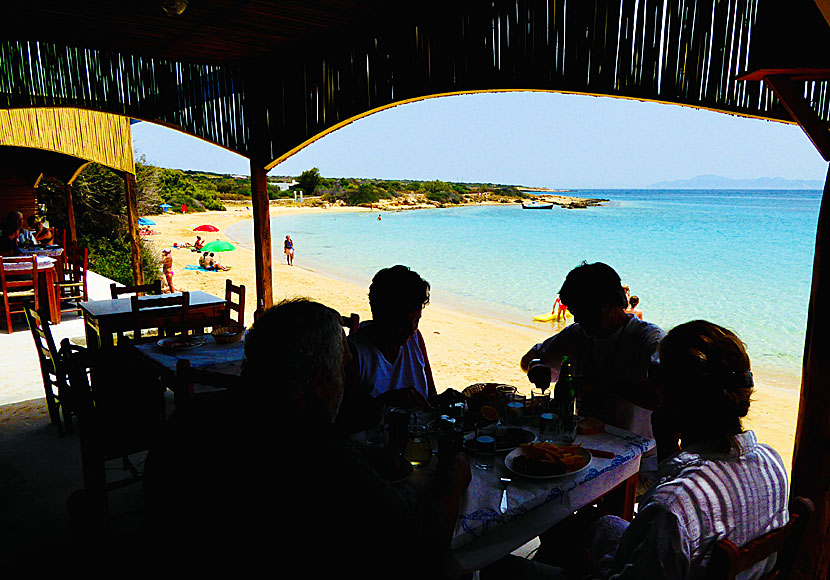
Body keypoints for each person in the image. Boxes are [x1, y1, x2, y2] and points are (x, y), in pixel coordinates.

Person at [143, 298, 471, 577]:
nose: (345, 381)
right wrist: (454, 475)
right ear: (318, 380)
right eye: (341, 370)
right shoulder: (318, 456)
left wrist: (362, 456)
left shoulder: (192, 416)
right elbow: (424, 536)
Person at [484, 320, 790, 580]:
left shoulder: (672, 506)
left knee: (496, 566)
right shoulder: (771, 462)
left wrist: (586, 569)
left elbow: (672, 515)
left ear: (672, 394)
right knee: (578, 523)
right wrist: (668, 447)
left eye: (654, 375)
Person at [521, 262, 665, 441]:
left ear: (608, 304)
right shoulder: (577, 333)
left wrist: (595, 382)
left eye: (583, 311)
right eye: (574, 311)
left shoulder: (649, 339)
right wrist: (536, 366)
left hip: (638, 451)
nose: (577, 318)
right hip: (587, 444)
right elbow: (530, 358)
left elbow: (661, 398)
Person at [338, 265, 437, 433]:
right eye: (401, 323)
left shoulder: (414, 338)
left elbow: (430, 399)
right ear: (380, 315)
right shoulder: (355, 355)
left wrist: (443, 401)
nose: (411, 329)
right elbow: (343, 420)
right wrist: (384, 402)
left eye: (416, 322)